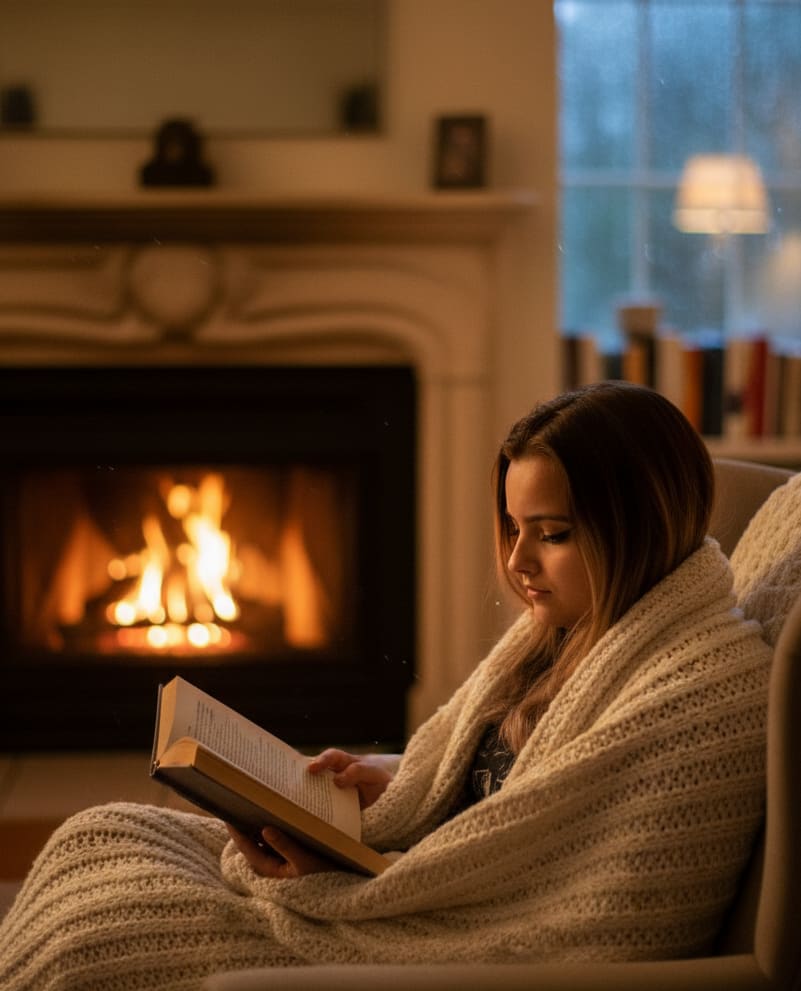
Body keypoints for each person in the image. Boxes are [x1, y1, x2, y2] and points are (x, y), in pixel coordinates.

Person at [0, 382, 776, 990]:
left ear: (640, 522)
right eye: (514, 529)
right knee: (99, 834)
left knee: (98, 934)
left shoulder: (700, 694)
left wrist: (342, 884)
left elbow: (578, 911)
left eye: (554, 534)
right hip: (417, 872)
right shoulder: (576, 626)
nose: (517, 563)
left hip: (447, 932)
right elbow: (513, 791)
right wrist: (394, 777)